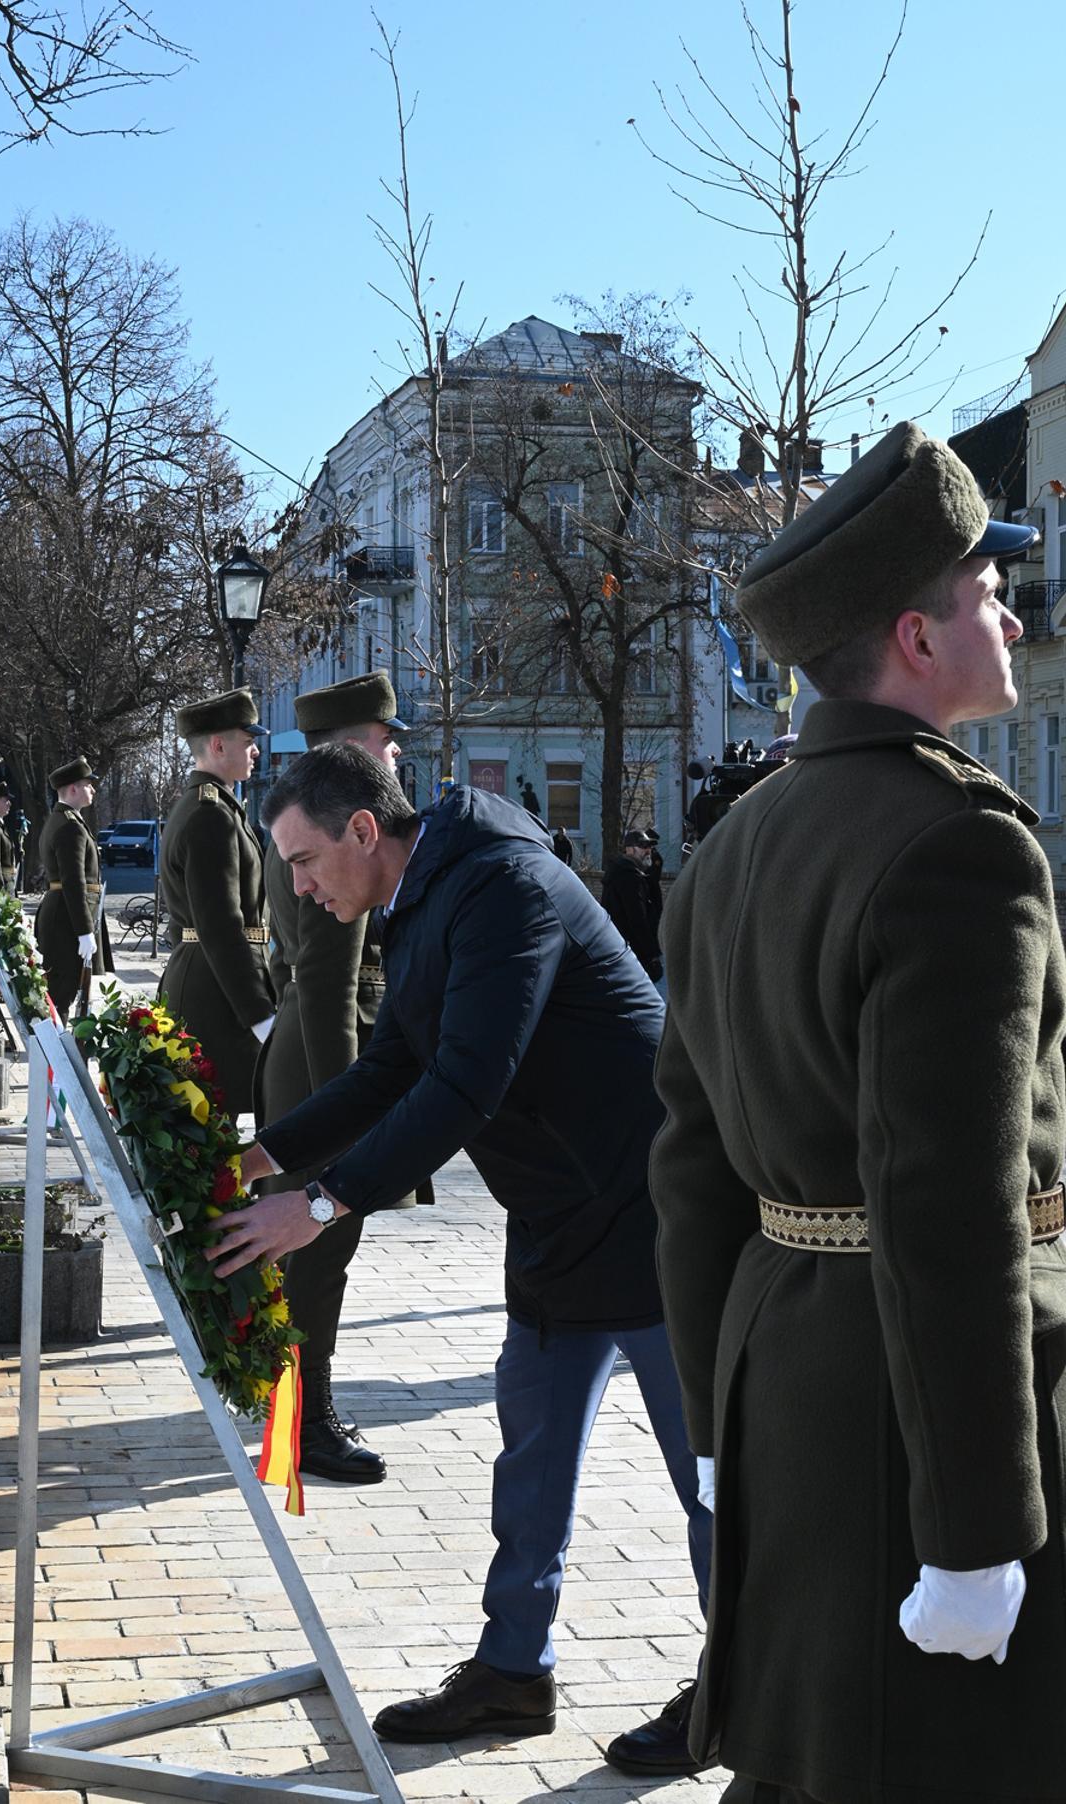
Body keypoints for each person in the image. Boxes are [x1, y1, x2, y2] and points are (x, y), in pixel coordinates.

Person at [652, 420, 1066, 1803]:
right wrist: (975, 1528)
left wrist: (720, 1429)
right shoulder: (964, 845)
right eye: (984, 593)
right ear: (916, 635)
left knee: (819, 1758)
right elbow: (949, 1206)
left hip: (792, 1387)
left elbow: (691, 1172)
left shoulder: (730, 852)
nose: (1011, 611)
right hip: (929, 1417)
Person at [208, 745, 712, 1765]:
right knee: (530, 1458)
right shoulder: (425, 894)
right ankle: (512, 1674)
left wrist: (322, 1201)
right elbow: (393, 1065)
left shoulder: (501, 885)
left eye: (303, 863)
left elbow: (466, 1083)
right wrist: (257, 1156)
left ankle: (744, 1687)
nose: (297, 889)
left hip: (656, 1209)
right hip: (559, 1215)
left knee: (707, 1477)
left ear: (362, 831)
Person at [258, 671, 417, 1486]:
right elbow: (327, 986)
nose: (394, 753)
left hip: (309, 1055)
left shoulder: (305, 819)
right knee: (319, 1258)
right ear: (354, 746)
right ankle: (303, 1427)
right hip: (326, 1057)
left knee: (312, 1261)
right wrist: (348, 1122)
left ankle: (296, 1414)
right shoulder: (330, 841)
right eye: (384, 740)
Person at [158, 688, 274, 1119]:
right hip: (216, 989)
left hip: (209, 976)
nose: (255, 750)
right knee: (208, 1125)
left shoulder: (213, 806)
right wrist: (257, 1012)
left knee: (211, 1124)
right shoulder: (211, 814)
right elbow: (221, 923)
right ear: (219, 745)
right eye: (247, 741)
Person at [34, 757, 112, 1017]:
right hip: (65, 921)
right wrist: (84, 930)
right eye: (88, 784)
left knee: (62, 992)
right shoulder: (69, 826)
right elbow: (74, 881)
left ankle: (55, 1052)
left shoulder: (66, 821)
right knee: (61, 993)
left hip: (62, 914)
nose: (93, 790)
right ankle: (53, 1054)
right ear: (73, 789)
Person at [600, 829, 661, 981]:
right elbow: (637, 918)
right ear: (629, 849)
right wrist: (651, 954)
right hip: (631, 953)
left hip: (622, 951)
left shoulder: (628, 872)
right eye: (643, 846)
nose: (648, 851)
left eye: (649, 847)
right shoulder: (628, 876)